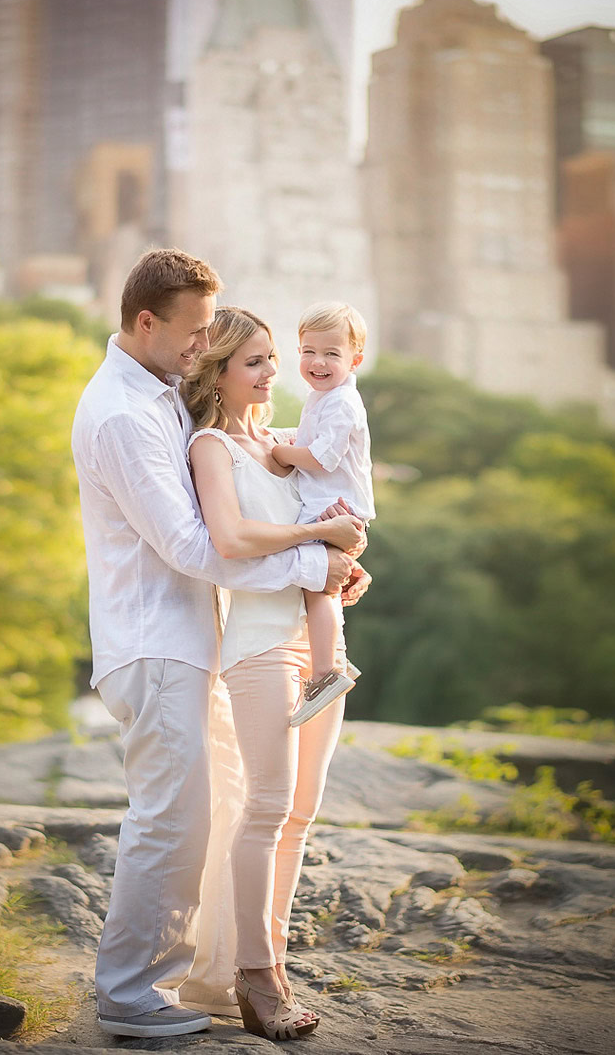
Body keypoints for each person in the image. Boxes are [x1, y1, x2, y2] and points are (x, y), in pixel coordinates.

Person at [71, 250, 365, 1044]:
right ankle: (129, 994)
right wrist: (319, 558)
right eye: (197, 333)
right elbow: (194, 547)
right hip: (154, 639)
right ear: (146, 322)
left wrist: (326, 562)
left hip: (191, 639)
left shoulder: (161, 395)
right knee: (173, 819)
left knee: (219, 809)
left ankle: (202, 976)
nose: (203, 347)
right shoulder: (127, 416)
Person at [186, 308, 368, 1041]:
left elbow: (319, 542)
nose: (273, 374)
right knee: (264, 809)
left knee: (298, 815)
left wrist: (340, 571)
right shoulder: (211, 447)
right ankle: (254, 981)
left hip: (319, 642)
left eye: (272, 360)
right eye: (256, 362)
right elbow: (231, 542)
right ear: (221, 372)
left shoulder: (283, 443)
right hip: (259, 648)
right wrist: (319, 539)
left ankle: (276, 961)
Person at [267, 305, 375, 729]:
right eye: (308, 351)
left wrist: (278, 452)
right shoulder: (324, 398)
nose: (318, 362)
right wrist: (284, 438)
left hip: (338, 509)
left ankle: (325, 673)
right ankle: (329, 666)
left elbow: (321, 457)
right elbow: (310, 438)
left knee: (319, 587)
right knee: (321, 585)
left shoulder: (342, 403)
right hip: (329, 507)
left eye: (331, 353)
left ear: (355, 360)